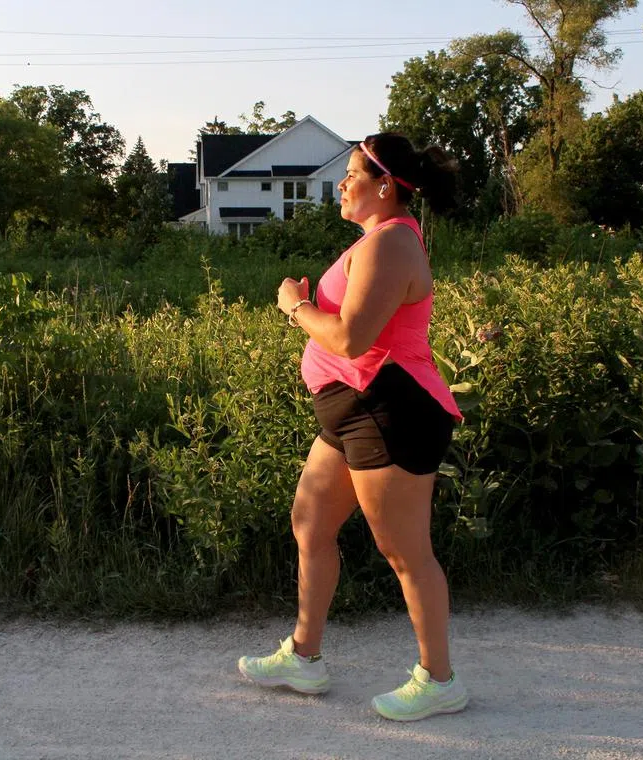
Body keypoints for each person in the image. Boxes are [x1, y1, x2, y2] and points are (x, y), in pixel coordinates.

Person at [237, 133, 466, 721]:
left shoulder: (391, 244)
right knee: (311, 520)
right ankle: (304, 657)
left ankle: (439, 680)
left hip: (390, 409)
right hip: (350, 408)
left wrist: (295, 306)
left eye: (351, 174)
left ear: (384, 186)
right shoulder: (374, 241)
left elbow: (350, 338)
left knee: (405, 550)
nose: (341, 183)